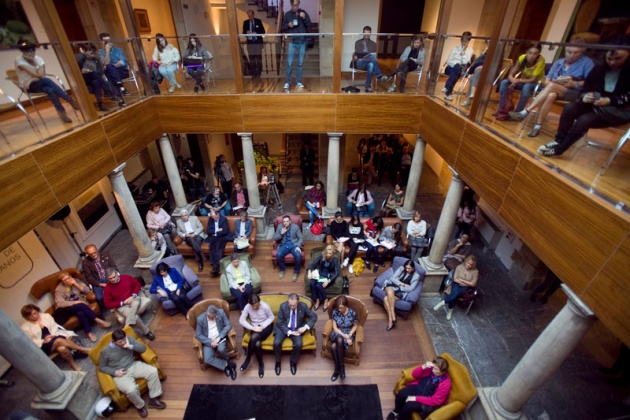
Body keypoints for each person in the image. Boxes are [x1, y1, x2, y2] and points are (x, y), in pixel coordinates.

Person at [537, 38, 630, 157]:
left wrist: (609, 100)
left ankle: (560, 148)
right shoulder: (599, 69)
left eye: (618, 59)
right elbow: (586, 88)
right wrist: (585, 96)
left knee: (585, 120)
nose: (612, 62)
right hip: (596, 105)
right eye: (609, 58)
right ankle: (558, 140)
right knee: (570, 108)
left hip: (618, 110)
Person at [508, 39, 594, 137]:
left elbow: (591, 82)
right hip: (556, 89)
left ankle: (525, 112)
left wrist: (574, 83)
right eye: (569, 52)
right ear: (565, 50)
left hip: (575, 92)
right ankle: (537, 126)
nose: (572, 55)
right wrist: (555, 82)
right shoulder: (559, 62)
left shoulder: (587, 63)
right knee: (551, 95)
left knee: (551, 87)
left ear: (581, 52)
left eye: (576, 53)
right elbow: (546, 80)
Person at [99, 329, 167, 417]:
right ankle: (140, 406)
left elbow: (143, 348)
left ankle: (153, 398)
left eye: (124, 339)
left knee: (153, 371)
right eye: (120, 342)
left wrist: (130, 346)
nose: (123, 342)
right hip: (121, 373)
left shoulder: (129, 340)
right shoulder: (105, 352)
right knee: (131, 389)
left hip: (133, 365)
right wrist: (115, 372)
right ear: (114, 341)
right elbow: (102, 367)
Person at [15, 39, 79, 123]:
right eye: (26, 52)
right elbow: (39, 75)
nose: (30, 54)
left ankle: (62, 112)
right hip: (28, 87)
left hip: (39, 83)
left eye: (31, 51)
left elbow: (41, 75)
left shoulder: (38, 59)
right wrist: (35, 68)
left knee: (49, 89)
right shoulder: (19, 60)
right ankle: (67, 98)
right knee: (47, 80)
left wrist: (30, 79)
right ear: (22, 52)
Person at [21, 304, 91, 372]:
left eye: (34, 313)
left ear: (37, 310)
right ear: (26, 317)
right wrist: (43, 341)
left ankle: (73, 364)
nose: (33, 316)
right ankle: (83, 349)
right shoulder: (25, 327)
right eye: (30, 315)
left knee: (62, 348)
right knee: (58, 340)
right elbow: (30, 341)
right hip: (43, 345)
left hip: (54, 336)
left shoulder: (46, 316)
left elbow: (54, 326)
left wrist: (52, 336)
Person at [387, 357, 452, 420]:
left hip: (428, 399)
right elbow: (414, 374)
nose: (432, 370)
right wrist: (423, 366)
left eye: (435, 369)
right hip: (419, 388)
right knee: (401, 393)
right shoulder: (430, 369)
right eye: (433, 367)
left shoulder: (446, 384)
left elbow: (435, 401)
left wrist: (415, 398)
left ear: (443, 372)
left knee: (409, 405)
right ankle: (396, 412)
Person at [54, 271, 111, 342]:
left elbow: (87, 291)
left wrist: (76, 284)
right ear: (62, 282)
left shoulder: (76, 281)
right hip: (69, 308)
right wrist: (75, 302)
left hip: (81, 304)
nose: (67, 280)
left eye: (68, 278)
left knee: (80, 313)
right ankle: (98, 320)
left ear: (71, 277)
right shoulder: (58, 289)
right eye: (65, 280)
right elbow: (60, 303)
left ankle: (89, 333)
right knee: (80, 305)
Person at [103, 268, 155, 340]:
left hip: (133, 299)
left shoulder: (125, 277)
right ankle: (147, 332)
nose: (113, 279)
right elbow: (107, 304)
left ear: (117, 274)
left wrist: (133, 296)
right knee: (135, 317)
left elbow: (137, 284)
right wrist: (122, 303)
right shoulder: (107, 289)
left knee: (136, 301)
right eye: (110, 278)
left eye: (114, 277)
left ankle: (127, 325)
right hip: (122, 306)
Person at [273, 293, 317, 376]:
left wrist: (305, 327)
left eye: (294, 305)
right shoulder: (283, 306)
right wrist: (289, 332)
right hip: (283, 328)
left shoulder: (303, 306)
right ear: (288, 302)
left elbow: (314, 317)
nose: (292, 307)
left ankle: (293, 362)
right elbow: (279, 322)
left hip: (297, 329)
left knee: (298, 344)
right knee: (276, 343)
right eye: (290, 305)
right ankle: (278, 362)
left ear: (298, 303)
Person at [497, 43, 545, 114]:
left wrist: (519, 80)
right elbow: (510, 74)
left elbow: (533, 79)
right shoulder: (522, 58)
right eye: (530, 53)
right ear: (526, 52)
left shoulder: (541, 60)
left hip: (537, 84)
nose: (532, 56)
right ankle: (501, 109)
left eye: (535, 54)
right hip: (523, 82)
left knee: (527, 86)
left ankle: (517, 113)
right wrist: (513, 80)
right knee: (504, 82)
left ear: (538, 54)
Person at [76, 43, 125, 111]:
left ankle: (100, 105)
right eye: (90, 53)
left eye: (94, 53)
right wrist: (83, 54)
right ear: (84, 51)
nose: (93, 55)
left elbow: (100, 71)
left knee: (96, 82)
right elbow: (77, 62)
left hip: (95, 79)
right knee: (94, 74)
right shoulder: (81, 58)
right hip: (84, 79)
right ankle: (108, 91)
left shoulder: (95, 60)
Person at [195, 305, 237, 380]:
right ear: (207, 315)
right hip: (209, 340)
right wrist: (210, 342)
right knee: (207, 359)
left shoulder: (220, 312)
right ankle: (228, 365)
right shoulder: (200, 319)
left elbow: (228, 325)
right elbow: (198, 335)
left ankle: (226, 367)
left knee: (221, 349)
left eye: (215, 317)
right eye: (212, 317)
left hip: (219, 338)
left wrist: (219, 337)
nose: (214, 318)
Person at [434, 255, 479, 320]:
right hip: (456, 283)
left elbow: (473, 283)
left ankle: (443, 303)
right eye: (468, 263)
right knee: (455, 293)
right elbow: (455, 279)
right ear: (465, 261)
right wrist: (464, 281)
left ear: (473, 265)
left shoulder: (475, 272)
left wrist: (463, 281)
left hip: (466, 287)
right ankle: (450, 311)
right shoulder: (459, 267)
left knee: (455, 293)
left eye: (471, 265)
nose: (469, 265)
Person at [239, 294, 274, 377]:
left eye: (257, 305)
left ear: (259, 302)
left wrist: (263, 326)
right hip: (254, 327)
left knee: (254, 337)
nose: (256, 307)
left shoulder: (265, 306)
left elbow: (271, 317)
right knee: (257, 344)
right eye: (254, 306)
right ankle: (261, 364)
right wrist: (252, 328)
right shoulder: (247, 307)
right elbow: (241, 320)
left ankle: (248, 359)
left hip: (266, 326)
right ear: (250, 305)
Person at [382, 259, 421, 331]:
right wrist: (403, 284)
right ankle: (393, 315)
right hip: (391, 286)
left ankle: (390, 320)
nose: (407, 270)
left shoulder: (416, 276)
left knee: (385, 299)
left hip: (401, 291)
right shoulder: (401, 269)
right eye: (406, 267)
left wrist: (399, 285)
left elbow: (411, 288)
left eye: (409, 268)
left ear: (413, 268)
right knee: (390, 291)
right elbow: (393, 279)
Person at [281, 0, 312, 90]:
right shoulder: (287, 14)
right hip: (292, 41)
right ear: (291, 4)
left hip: (302, 42)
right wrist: (288, 25)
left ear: (299, 4)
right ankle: (287, 82)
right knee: (290, 63)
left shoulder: (303, 12)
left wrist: (304, 17)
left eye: (297, 5)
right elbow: (282, 28)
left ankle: (298, 81)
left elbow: (309, 24)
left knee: (300, 63)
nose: (295, 7)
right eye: (294, 5)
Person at [328, 295, 358, 382]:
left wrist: (350, 334)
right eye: (338, 307)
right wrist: (344, 335)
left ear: (346, 306)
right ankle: (342, 367)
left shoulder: (352, 313)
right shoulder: (335, 312)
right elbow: (335, 328)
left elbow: (355, 326)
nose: (339, 309)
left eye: (341, 308)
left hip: (348, 333)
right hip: (338, 332)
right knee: (339, 339)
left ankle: (337, 369)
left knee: (333, 346)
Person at [353, 26, 390, 92]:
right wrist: (366, 55)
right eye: (365, 33)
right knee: (372, 56)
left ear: (370, 34)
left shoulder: (373, 44)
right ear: (363, 33)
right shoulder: (357, 42)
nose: (367, 35)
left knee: (371, 64)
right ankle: (379, 76)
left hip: (368, 61)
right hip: (360, 62)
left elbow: (372, 55)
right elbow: (358, 54)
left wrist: (367, 55)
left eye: (368, 34)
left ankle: (367, 87)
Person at [442, 32, 474, 101]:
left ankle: (447, 88)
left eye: (465, 41)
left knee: (457, 70)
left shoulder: (470, 51)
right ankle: (448, 93)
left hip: (462, 70)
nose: (463, 43)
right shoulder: (455, 48)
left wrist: (463, 53)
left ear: (469, 41)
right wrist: (456, 64)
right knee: (457, 69)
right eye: (462, 41)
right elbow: (448, 61)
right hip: (450, 68)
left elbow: (465, 62)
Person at [308, 244, 340, 311]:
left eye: (330, 253)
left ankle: (325, 300)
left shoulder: (335, 259)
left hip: (328, 275)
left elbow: (337, 272)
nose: (328, 255)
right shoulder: (322, 256)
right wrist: (309, 271)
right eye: (327, 253)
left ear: (332, 253)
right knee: (312, 283)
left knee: (319, 286)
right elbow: (313, 264)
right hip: (320, 273)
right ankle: (317, 300)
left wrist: (328, 280)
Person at [273, 215, 303, 281]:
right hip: (284, 245)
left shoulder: (296, 227)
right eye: (284, 221)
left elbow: (300, 238)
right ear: (282, 222)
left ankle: (296, 272)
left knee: (298, 256)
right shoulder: (279, 227)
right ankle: (282, 269)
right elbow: (275, 238)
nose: (285, 223)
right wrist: (281, 234)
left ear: (290, 222)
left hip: (294, 245)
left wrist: (298, 246)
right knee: (279, 254)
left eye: (287, 221)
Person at [461, 39, 489, 107]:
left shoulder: (497, 51)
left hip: (490, 71)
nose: (488, 44)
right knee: (474, 75)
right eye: (487, 43)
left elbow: (495, 64)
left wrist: (484, 67)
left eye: (489, 42)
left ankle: (470, 97)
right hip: (480, 72)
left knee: (477, 71)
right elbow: (477, 62)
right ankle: (470, 97)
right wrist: (483, 53)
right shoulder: (486, 51)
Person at [206, 210, 233, 276]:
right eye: (213, 217)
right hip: (213, 237)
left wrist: (216, 232)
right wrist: (218, 230)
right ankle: (213, 264)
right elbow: (208, 231)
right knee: (212, 247)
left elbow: (225, 231)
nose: (214, 219)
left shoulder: (224, 219)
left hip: (223, 237)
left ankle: (216, 266)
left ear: (217, 214)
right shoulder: (210, 219)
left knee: (218, 248)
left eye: (215, 217)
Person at [243, 9, 266, 78]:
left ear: (254, 15)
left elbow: (263, 32)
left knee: (258, 58)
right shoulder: (246, 22)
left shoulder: (258, 21)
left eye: (252, 16)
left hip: (257, 43)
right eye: (249, 16)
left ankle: (259, 72)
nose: (251, 17)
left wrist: (257, 33)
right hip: (250, 43)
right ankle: (253, 73)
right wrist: (246, 33)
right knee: (251, 58)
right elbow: (243, 33)